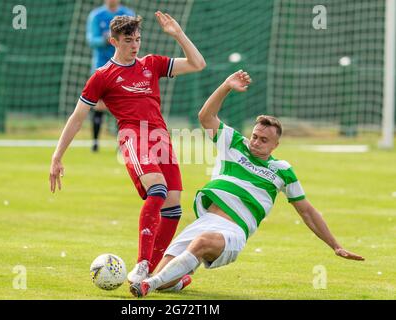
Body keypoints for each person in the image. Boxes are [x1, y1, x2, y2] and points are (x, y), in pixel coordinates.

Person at [130, 70, 365, 297]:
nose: (256, 142)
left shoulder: (282, 170)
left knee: (195, 248)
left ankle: (148, 285)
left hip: (233, 231)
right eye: (255, 136)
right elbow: (206, 117)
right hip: (206, 221)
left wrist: (335, 245)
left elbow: (307, 212)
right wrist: (226, 87)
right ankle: (175, 280)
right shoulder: (234, 143)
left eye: (264, 140)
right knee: (166, 279)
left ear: (275, 145)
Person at [49, 12, 206, 287]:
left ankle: (156, 278)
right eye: (128, 40)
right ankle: (143, 265)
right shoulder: (102, 76)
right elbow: (77, 117)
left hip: (161, 138)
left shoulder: (152, 64)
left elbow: (197, 64)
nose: (135, 45)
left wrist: (178, 34)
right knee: (157, 190)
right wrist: (57, 156)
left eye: (138, 39)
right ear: (113, 41)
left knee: (173, 210)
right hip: (133, 136)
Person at [86, 0, 135, 152]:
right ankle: (95, 142)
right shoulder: (96, 15)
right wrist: (105, 39)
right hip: (102, 66)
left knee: (123, 105)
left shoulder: (128, 14)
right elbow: (91, 39)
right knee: (99, 105)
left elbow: (134, 37)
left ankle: (121, 143)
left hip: (123, 66)